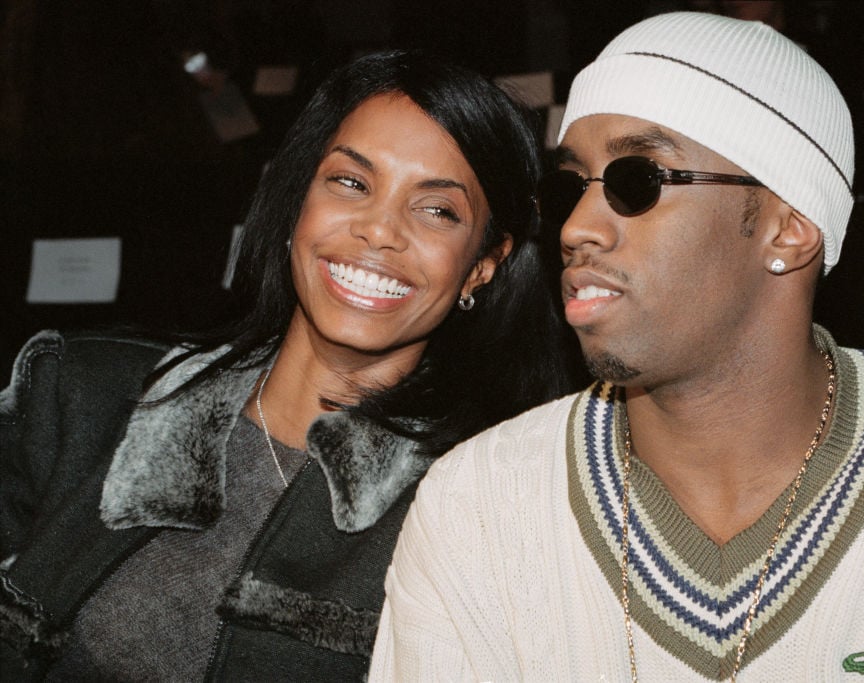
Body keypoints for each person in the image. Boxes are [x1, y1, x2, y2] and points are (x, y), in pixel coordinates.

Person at [370, 12, 864, 682]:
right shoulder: (479, 507)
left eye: (639, 179)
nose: (576, 228)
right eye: (570, 186)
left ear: (789, 228)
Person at [0, 49, 577, 680]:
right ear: (297, 202)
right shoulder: (75, 395)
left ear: (484, 262)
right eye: (351, 183)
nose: (380, 230)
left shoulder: (481, 512)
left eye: (437, 209)